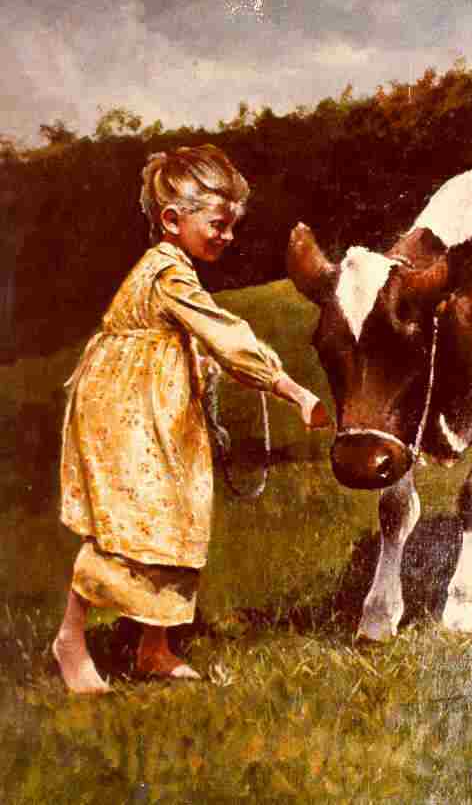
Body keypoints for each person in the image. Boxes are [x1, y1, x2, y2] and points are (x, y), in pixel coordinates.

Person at [53, 144, 329, 694]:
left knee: (179, 513)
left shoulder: (176, 269)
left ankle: (154, 647)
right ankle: (71, 637)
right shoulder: (165, 273)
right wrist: (291, 389)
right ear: (173, 221)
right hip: (125, 411)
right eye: (218, 224)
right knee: (128, 520)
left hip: (161, 407)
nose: (227, 237)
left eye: (232, 226)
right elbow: (225, 334)